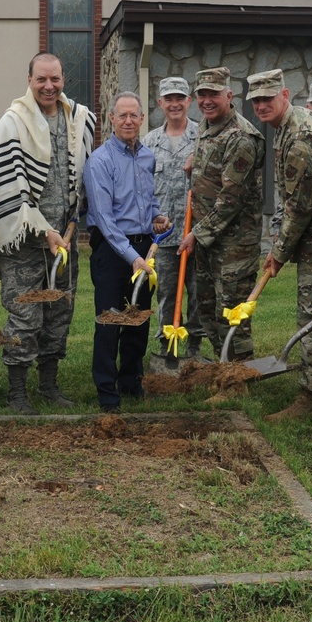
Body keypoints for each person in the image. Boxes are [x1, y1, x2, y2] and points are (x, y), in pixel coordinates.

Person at [0, 51, 95, 414]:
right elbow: (9, 187)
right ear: (29, 80)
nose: (48, 86)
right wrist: (44, 232)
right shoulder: (12, 123)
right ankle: (17, 393)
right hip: (23, 243)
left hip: (65, 241)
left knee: (59, 313)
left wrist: (72, 222)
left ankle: (48, 386)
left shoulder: (78, 119)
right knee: (25, 317)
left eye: (55, 79)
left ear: (63, 80)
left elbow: (84, 177)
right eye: (41, 79)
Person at [245, 69, 312, 421]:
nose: (262, 105)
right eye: (256, 100)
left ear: (284, 95)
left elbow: (300, 207)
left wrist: (279, 253)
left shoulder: (298, 137)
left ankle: (311, 400)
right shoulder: (291, 124)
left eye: (268, 98)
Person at [85, 92, 171, 411]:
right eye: (122, 115)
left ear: (142, 119)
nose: (128, 121)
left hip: (142, 246)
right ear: (111, 119)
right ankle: (108, 392)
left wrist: (157, 218)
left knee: (138, 318)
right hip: (111, 249)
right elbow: (105, 221)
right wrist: (132, 257)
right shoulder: (100, 161)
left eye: (134, 115)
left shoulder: (147, 157)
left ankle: (131, 382)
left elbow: (148, 202)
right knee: (110, 320)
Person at [177, 67, 264, 361]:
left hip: (234, 245)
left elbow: (231, 200)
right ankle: (223, 367)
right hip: (207, 241)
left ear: (229, 95)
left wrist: (195, 235)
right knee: (206, 309)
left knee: (231, 313)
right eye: (202, 94)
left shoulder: (241, 138)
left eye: (214, 94)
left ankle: (239, 376)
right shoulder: (206, 126)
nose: (207, 100)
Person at [141, 76, 205, 363]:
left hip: (198, 232)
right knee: (166, 293)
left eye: (180, 98)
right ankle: (168, 347)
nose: (175, 104)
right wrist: (151, 217)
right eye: (169, 99)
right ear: (160, 103)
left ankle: (193, 350)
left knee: (198, 293)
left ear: (189, 101)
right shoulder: (149, 142)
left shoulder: (203, 136)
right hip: (164, 235)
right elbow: (142, 188)